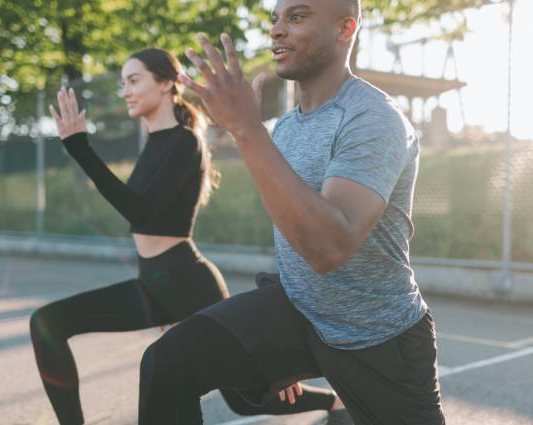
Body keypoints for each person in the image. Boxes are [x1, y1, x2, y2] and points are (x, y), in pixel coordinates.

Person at [137, 0, 446, 424]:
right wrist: (272, 342)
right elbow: (291, 229)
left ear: (344, 29)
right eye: (275, 19)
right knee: (166, 363)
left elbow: (328, 248)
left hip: (376, 336)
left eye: (296, 17)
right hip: (300, 314)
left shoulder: (374, 119)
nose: (277, 30)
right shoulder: (286, 127)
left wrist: (246, 128)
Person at [29, 47, 342, 425]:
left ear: (166, 84)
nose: (125, 91)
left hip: (187, 282)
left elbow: (141, 213)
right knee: (47, 323)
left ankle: (335, 404)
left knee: (245, 398)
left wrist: (80, 148)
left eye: (133, 80)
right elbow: (139, 213)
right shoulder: (154, 144)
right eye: (122, 83)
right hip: (153, 283)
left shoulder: (184, 142)